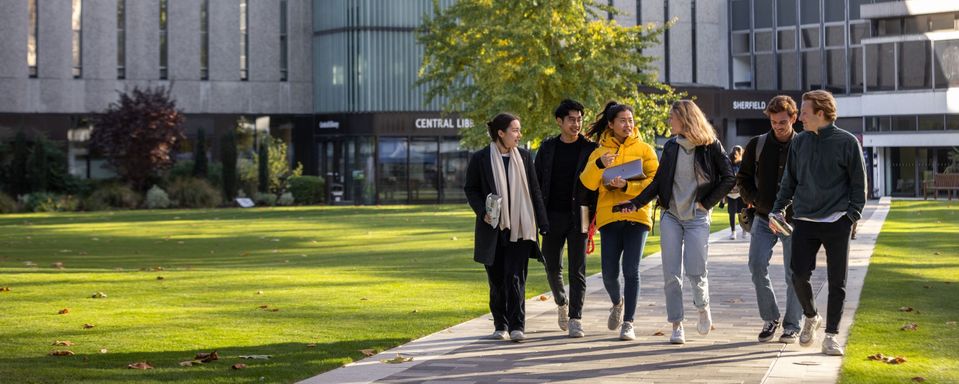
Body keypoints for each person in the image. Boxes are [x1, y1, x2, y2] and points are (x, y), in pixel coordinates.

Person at [623, 99, 735, 344]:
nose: (669, 122)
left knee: (696, 271)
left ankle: (703, 307)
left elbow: (729, 178)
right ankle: (677, 325)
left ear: (685, 119)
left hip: (696, 217)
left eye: (672, 118)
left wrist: (705, 203)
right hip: (671, 216)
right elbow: (659, 182)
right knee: (671, 275)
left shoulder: (710, 146)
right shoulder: (671, 146)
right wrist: (636, 202)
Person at [770, 90, 867, 356]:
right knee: (798, 274)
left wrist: (850, 217)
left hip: (837, 221)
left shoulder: (847, 142)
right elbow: (789, 181)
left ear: (820, 113)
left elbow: (859, 186)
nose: (799, 116)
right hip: (804, 220)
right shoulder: (799, 143)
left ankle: (832, 336)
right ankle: (811, 316)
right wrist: (777, 211)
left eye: (804, 112)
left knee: (838, 281)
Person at [464, 113, 549, 342]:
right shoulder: (480, 158)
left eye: (519, 130)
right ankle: (500, 324)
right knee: (497, 279)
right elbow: (470, 189)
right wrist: (483, 212)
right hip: (493, 227)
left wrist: (542, 223)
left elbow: (534, 191)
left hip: (521, 227)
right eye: (515, 130)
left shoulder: (524, 156)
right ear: (500, 133)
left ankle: (517, 325)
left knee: (516, 277)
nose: (519, 135)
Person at [579, 101, 659, 341]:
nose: (628, 124)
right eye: (622, 121)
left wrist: (627, 185)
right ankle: (617, 302)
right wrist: (600, 165)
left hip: (637, 215)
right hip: (610, 216)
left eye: (630, 120)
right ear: (611, 124)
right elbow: (587, 183)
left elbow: (656, 182)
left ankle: (629, 323)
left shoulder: (645, 149)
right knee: (609, 273)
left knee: (631, 270)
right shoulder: (599, 151)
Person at [736, 95, 803, 344]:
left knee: (793, 274)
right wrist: (752, 198)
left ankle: (792, 325)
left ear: (794, 118)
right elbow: (742, 178)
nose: (778, 126)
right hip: (764, 218)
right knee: (756, 265)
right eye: (774, 122)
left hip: (793, 221)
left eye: (783, 122)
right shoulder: (757, 144)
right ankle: (770, 317)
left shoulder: (804, 145)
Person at [534, 99, 598, 338]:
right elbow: (537, 183)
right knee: (551, 266)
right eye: (571, 119)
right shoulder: (547, 148)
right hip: (551, 216)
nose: (576, 123)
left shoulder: (590, 149)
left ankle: (575, 318)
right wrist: (539, 215)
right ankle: (561, 302)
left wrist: (595, 215)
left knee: (578, 269)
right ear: (559, 121)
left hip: (580, 214)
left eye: (580, 119)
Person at [724, 145, 747, 240]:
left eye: (737, 153)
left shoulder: (744, 164)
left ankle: (744, 230)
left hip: (741, 193)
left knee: (742, 213)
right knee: (732, 213)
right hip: (730, 193)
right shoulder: (728, 164)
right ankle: (733, 232)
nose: (735, 155)